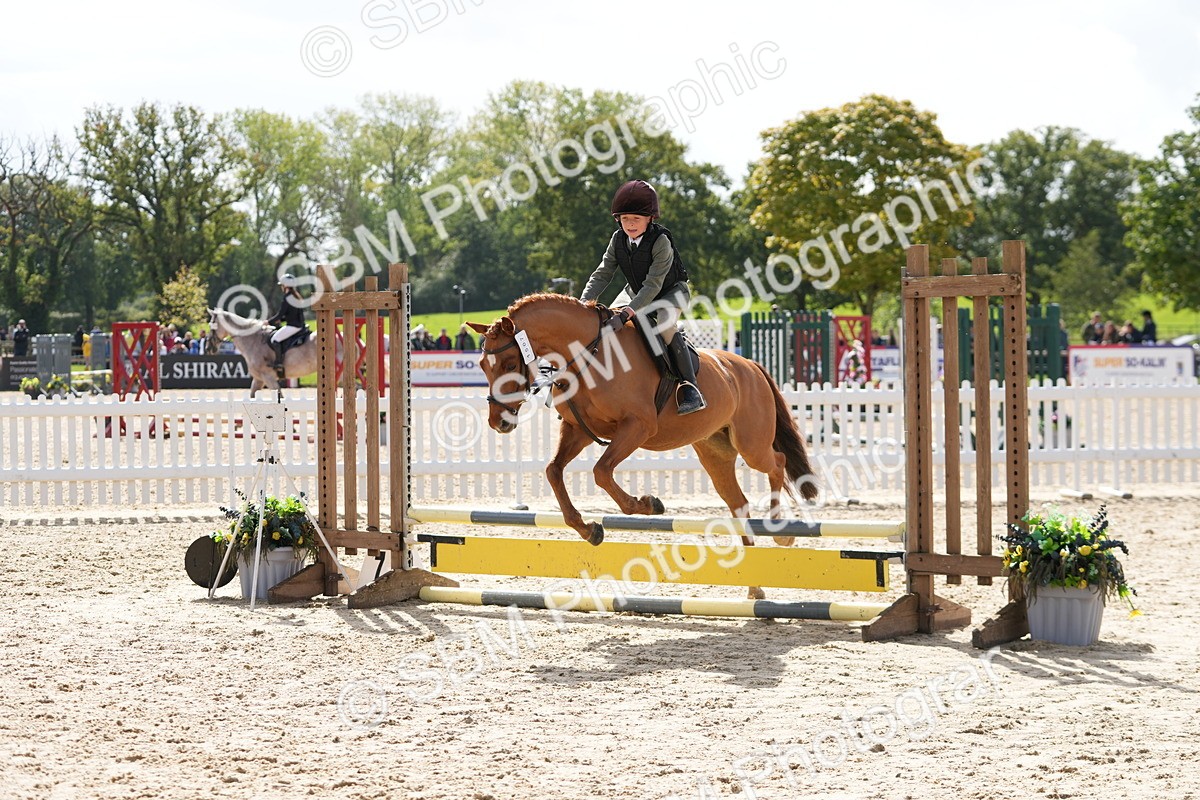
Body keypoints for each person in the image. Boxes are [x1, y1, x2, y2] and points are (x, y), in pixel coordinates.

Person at [579, 180, 704, 414]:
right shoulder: (618, 239)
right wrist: (583, 303)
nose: (629, 224)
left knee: (665, 326)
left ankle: (690, 387)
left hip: (670, 292)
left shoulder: (661, 241)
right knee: (605, 322)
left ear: (649, 218)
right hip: (636, 291)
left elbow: (653, 285)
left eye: (636, 218)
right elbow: (602, 274)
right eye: (625, 218)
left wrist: (626, 313)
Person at [266, 274, 308, 368]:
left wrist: (268, 322)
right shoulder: (296, 296)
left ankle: (278, 362)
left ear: (285, 285)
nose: (281, 287)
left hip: (293, 326)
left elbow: (280, 314)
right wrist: (281, 320)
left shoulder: (287, 298)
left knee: (274, 339)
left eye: (281, 285)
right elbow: (291, 315)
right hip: (299, 325)